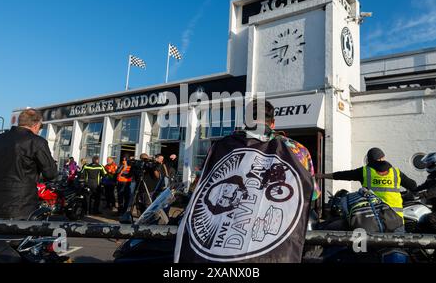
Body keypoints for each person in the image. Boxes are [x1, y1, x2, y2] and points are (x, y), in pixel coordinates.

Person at [175, 99, 319, 263]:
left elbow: (200, 187)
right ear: (273, 123)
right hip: (273, 251)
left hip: (221, 248)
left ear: (245, 121)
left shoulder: (220, 146)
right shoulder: (297, 150)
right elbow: (312, 194)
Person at [316, 147, 417, 228]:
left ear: (369, 159)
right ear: (383, 157)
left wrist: (322, 175)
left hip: (371, 218)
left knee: (364, 247)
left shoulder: (365, 171)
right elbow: (413, 185)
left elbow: (343, 175)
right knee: (398, 246)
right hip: (396, 218)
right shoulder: (396, 172)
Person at [0, 109, 58, 220]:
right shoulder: (37, 142)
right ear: (36, 125)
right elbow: (51, 173)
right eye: (40, 127)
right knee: (20, 236)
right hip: (22, 207)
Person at [414, 152, 436, 233]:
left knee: (429, 219)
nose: (426, 165)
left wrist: (423, 194)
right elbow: (423, 186)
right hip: (434, 207)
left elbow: (434, 190)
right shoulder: (432, 176)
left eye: (428, 163)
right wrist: (410, 191)